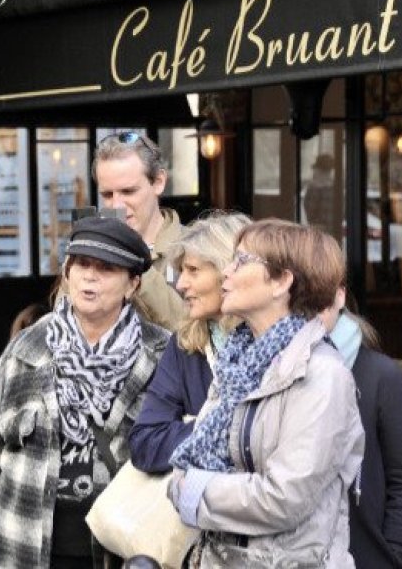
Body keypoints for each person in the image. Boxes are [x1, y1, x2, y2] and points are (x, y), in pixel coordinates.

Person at [167, 218, 365, 567]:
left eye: (241, 261)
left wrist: (195, 490)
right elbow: (192, 461)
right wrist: (192, 483)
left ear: (282, 281)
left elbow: (283, 498)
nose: (226, 272)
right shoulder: (236, 363)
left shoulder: (322, 374)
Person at [0, 216, 170, 568]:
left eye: (107, 268)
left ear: (133, 284)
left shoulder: (161, 355)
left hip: (122, 550)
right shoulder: (28, 349)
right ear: (67, 273)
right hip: (23, 545)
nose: (90, 276)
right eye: (81, 264)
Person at [129, 211, 250, 474]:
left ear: (228, 270)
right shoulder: (184, 345)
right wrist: (220, 429)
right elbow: (145, 443)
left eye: (193, 270)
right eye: (181, 271)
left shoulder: (277, 343)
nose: (181, 284)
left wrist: (190, 427)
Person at [319, 288, 402, 568]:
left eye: (316, 295)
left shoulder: (383, 376)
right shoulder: (285, 373)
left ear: (339, 297)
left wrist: (395, 555)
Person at [92, 132, 185, 331]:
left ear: (159, 182)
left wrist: (133, 261)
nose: (117, 205)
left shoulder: (194, 248)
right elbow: (62, 329)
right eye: (107, 195)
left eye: (128, 191)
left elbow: (192, 329)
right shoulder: (92, 247)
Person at [303, 153, 336, 233]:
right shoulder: (335, 188)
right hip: (332, 230)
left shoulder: (315, 188)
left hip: (318, 230)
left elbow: (309, 211)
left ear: (319, 170)